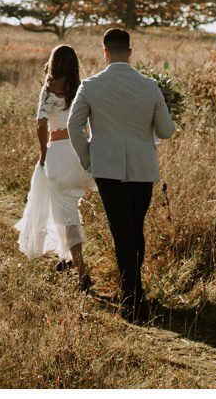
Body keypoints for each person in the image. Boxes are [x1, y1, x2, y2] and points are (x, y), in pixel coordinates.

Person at [67, 27, 175, 321]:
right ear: (130, 51)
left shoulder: (90, 87)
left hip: (107, 168)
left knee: (121, 230)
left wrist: (89, 158)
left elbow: (74, 127)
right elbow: (166, 130)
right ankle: (135, 294)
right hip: (142, 167)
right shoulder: (150, 87)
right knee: (135, 229)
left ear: (104, 52)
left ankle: (132, 297)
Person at [14, 44, 95, 289]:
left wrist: (43, 154)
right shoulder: (82, 89)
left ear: (53, 62)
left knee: (66, 211)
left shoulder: (48, 91)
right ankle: (67, 256)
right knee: (68, 207)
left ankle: (81, 270)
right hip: (81, 153)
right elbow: (91, 120)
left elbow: (40, 125)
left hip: (58, 153)